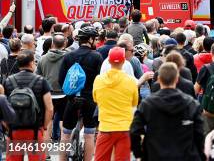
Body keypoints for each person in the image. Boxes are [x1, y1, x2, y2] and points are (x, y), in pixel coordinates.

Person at [130, 62, 204, 161]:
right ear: (177, 79)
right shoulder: (191, 104)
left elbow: (135, 131)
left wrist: (139, 153)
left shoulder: (147, 104)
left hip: (155, 155)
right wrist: (200, 154)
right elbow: (200, 133)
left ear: (159, 80)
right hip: (185, 155)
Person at [58, 26, 103, 161]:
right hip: (89, 100)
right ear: (90, 39)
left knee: (65, 134)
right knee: (89, 135)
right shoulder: (97, 56)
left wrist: (70, 96)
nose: (96, 41)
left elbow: (61, 80)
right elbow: (100, 80)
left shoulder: (68, 56)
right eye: (95, 39)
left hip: (72, 99)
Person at [4, 50, 53, 161]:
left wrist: (7, 127)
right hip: (35, 130)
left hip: (14, 130)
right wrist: (44, 127)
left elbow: (2, 108)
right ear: (31, 63)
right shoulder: (41, 81)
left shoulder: (8, 81)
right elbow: (50, 108)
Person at [92, 47, 139, 161]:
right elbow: (134, 102)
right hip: (124, 128)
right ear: (124, 61)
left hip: (105, 127)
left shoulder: (99, 80)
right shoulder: (131, 81)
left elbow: (96, 99)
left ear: (108, 61)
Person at [35, 34, 66, 141]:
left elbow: (37, 77)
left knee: (47, 124)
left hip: (48, 94)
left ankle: (46, 153)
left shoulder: (43, 59)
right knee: (63, 123)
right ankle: (64, 151)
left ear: (52, 44)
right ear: (65, 44)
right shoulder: (69, 57)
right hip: (64, 94)